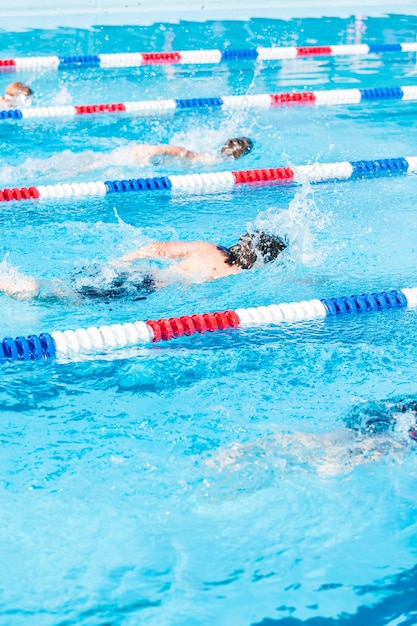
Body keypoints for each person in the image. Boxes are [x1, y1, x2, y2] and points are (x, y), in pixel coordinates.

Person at [0, 230, 286, 302]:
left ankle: (31, 284)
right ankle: (29, 287)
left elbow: (154, 248)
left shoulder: (207, 248)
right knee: (67, 298)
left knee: (71, 287)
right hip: (146, 289)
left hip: (138, 273)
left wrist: (121, 262)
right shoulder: (237, 276)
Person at [82, 136, 254, 170]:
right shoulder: (213, 159)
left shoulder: (215, 157)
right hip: (149, 155)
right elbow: (185, 152)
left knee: (100, 162)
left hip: (149, 155)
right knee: (99, 165)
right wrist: (157, 151)